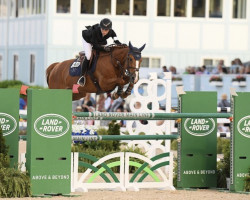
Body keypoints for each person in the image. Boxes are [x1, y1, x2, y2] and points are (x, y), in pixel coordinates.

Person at [77, 18, 122, 86]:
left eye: (106, 30)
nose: (104, 31)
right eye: (102, 29)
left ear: (109, 29)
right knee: (89, 56)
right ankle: (82, 76)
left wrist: (121, 45)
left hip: (99, 40)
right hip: (88, 40)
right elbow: (95, 46)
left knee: (107, 53)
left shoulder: (111, 32)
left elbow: (116, 40)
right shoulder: (95, 31)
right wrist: (104, 48)